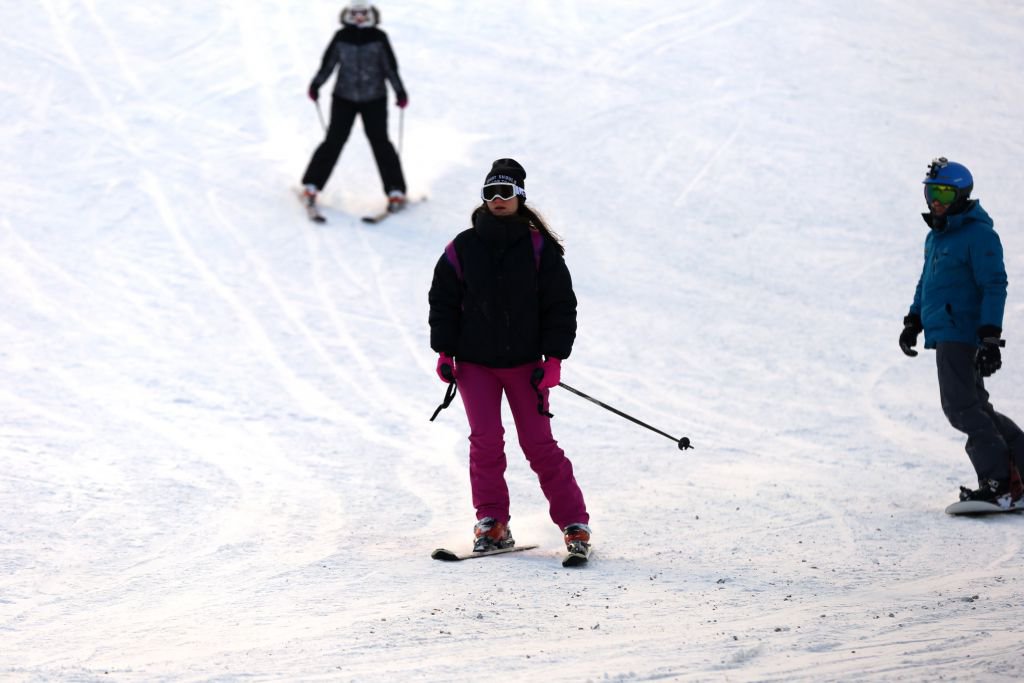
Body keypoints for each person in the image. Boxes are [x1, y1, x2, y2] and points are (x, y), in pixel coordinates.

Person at [428, 158, 592, 556]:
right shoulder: (462, 247)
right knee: (485, 442)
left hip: (525, 365)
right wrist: (444, 351)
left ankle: (574, 524)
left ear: (520, 197)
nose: (498, 200)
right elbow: (443, 303)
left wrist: (554, 358)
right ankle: (493, 522)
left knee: (539, 445)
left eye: (505, 193)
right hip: (474, 364)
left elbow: (560, 306)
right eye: (490, 193)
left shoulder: (539, 250)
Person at [899, 157, 1023, 507]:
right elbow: (928, 282)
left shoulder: (979, 234)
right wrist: (914, 320)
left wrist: (990, 339)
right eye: (930, 192)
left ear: (961, 195)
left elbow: (994, 284)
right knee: (976, 407)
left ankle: (1000, 484)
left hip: (963, 332)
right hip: (944, 331)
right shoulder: (936, 236)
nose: (935, 200)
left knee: (960, 408)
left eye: (943, 192)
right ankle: (1020, 473)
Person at [301, 3, 408, 214]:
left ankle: (395, 189)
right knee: (334, 140)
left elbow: (390, 67)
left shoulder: (379, 37)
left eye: (363, 14)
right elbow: (328, 64)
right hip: (344, 98)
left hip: (374, 98)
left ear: (370, 15)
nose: (359, 17)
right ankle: (312, 185)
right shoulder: (341, 36)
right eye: (355, 14)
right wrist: (316, 84)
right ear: (348, 15)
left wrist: (400, 92)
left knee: (380, 142)